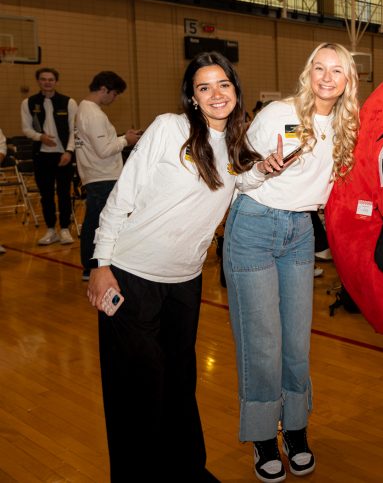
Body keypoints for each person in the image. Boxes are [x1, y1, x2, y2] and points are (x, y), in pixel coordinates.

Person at [85, 52, 259, 482]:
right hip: (131, 274)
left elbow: (257, 181)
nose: (216, 94)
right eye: (204, 87)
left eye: (223, 84)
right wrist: (100, 263)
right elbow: (121, 198)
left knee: (180, 383)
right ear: (193, 98)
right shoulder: (170, 129)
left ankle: (186, 469)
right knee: (135, 391)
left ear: (236, 90)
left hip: (185, 283)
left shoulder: (238, 149)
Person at [223, 43, 359, 482]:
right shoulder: (277, 114)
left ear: (348, 81)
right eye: (319, 68)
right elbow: (237, 176)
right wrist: (264, 167)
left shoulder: (348, 126)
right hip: (254, 226)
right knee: (262, 343)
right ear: (308, 73)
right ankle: (264, 438)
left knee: (297, 344)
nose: (326, 77)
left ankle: (295, 430)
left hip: (300, 232)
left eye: (336, 71)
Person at [75, 71, 142, 282]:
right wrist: (126, 140)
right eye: (114, 94)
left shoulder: (84, 109)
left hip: (97, 174)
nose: (114, 99)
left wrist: (123, 137)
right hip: (102, 176)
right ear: (104, 89)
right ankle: (92, 266)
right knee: (99, 223)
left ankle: (92, 265)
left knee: (95, 221)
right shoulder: (93, 113)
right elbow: (104, 150)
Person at [21, 67, 78, 245]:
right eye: (44, 79)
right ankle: (51, 230)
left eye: (51, 79)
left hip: (63, 156)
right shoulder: (28, 103)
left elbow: (74, 130)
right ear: (38, 81)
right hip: (41, 156)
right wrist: (41, 137)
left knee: (63, 194)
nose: (47, 82)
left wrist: (69, 151)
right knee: (46, 195)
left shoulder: (69, 102)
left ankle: (65, 229)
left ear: (56, 81)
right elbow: (26, 129)